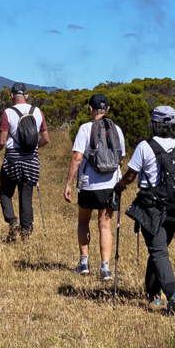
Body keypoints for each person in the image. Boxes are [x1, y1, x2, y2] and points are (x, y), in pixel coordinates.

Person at [114, 105, 175, 315]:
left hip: (151, 207)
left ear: (154, 124)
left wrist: (118, 187)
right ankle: (153, 294)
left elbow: (130, 176)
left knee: (158, 251)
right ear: (173, 123)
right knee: (159, 250)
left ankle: (174, 294)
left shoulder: (145, 146)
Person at [63, 94, 126, 281]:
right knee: (105, 225)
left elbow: (77, 157)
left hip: (89, 184)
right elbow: (120, 159)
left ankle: (84, 263)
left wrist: (68, 183)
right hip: (111, 184)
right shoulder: (117, 130)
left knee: (83, 221)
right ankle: (105, 269)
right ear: (108, 109)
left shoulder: (85, 128)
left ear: (90, 109)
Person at [0, 82, 50, 242]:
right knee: (26, 195)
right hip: (31, 160)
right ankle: (26, 231)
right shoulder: (37, 112)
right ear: (26, 96)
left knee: (5, 193)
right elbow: (46, 139)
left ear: (11, 96)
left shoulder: (8, 113)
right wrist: (34, 148)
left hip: (12, 160)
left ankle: (12, 222)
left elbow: (2, 141)